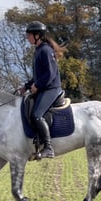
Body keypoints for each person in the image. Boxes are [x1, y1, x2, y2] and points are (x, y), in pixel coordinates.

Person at [20, 21, 66, 158]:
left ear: (37, 35)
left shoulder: (45, 50)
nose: (27, 37)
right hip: (44, 88)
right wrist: (27, 86)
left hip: (51, 89)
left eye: (29, 35)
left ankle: (48, 147)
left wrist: (38, 86)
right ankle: (36, 139)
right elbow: (38, 76)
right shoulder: (38, 50)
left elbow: (50, 74)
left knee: (37, 115)